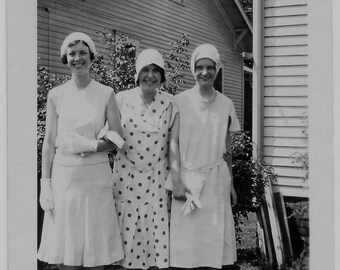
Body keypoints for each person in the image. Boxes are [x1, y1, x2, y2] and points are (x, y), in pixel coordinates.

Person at [37, 32, 125, 270]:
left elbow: (117, 137)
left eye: (83, 53)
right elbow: (49, 141)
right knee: (68, 254)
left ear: (92, 57)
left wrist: (89, 145)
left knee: (95, 253)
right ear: (66, 58)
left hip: (95, 178)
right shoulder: (56, 95)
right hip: (65, 178)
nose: (77, 58)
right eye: (72, 53)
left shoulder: (106, 93)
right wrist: (45, 184)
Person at [167, 43, 241, 269]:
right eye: (200, 67)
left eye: (210, 67)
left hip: (216, 181)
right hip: (188, 181)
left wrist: (231, 184)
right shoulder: (180, 101)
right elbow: (174, 142)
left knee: (212, 249)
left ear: (217, 70)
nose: (205, 72)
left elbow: (227, 150)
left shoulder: (226, 104)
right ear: (193, 69)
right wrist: (176, 180)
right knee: (185, 251)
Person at [112, 48, 176, 269]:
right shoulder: (121, 99)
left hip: (156, 179)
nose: (150, 75)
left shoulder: (171, 103)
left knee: (154, 244)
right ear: (137, 73)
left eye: (156, 70)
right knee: (125, 240)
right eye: (145, 70)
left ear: (162, 75)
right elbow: (108, 133)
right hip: (125, 178)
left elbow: (174, 144)